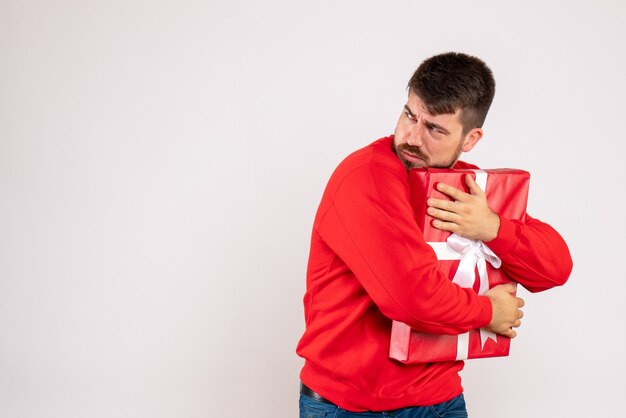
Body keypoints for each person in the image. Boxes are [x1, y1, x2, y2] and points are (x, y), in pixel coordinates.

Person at [295, 52, 573, 417]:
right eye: (410, 115)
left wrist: (493, 228)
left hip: (441, 401)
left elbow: (555, 268)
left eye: (435, 129)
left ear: (470, 138)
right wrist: (489, 311)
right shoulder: (366, 177)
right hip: (349, 407)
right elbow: (410, 297)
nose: (411, 137)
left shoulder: (463, 187)